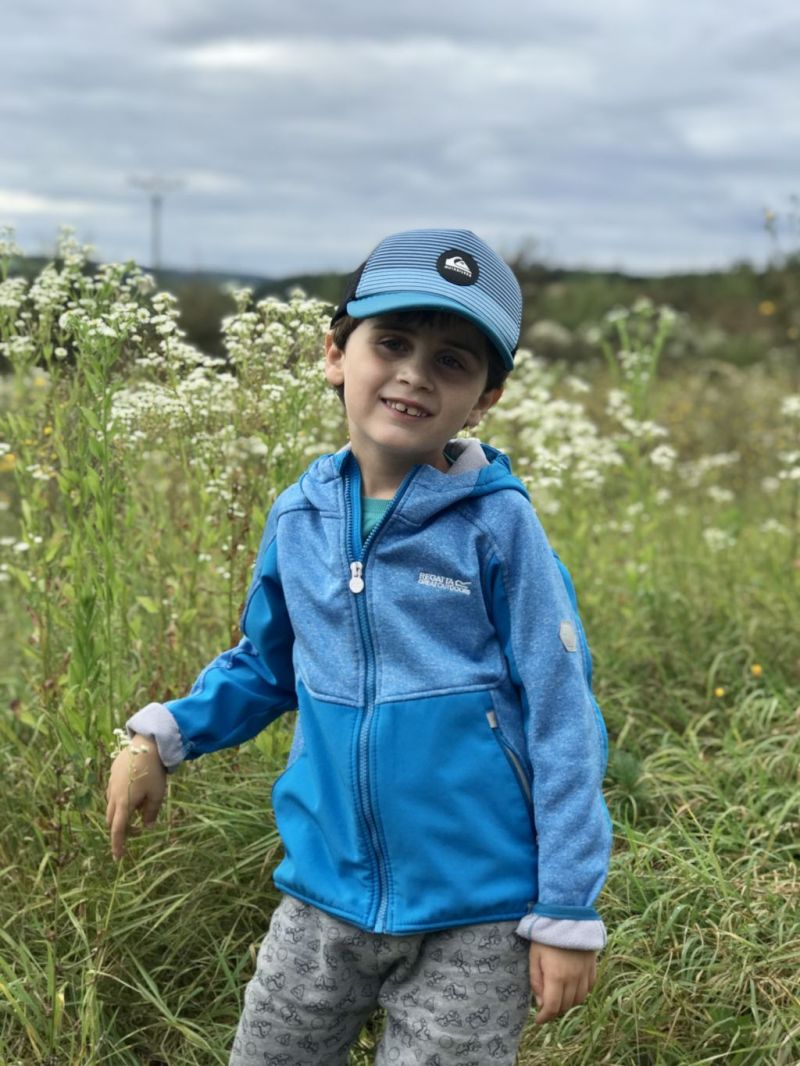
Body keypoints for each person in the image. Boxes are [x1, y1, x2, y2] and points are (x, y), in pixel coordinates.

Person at [105, 228, 612, 1066]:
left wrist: (566, 909)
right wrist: (160, 736)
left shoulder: (500, 527)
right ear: (337, 354)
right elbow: (266, 664)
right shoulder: (299, 516)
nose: (416, 373)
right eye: (393, 343)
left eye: (452, 361)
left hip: (476, 914)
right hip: (322, 894)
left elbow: (563, 716)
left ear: (484, 398)